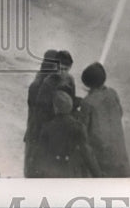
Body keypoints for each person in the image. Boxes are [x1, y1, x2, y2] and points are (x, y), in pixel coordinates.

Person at [80, 61, 130, 177]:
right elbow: (120, 112)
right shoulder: (112, 93)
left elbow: (82, 132)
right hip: (119, 155)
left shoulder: (87, 103)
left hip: (102, 159)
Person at [36, 91, 102, 178]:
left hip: (53, 170)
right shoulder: (78, 126)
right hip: (73, 170)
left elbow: (41, 154)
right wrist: (97, 174)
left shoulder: (47, 127)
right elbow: (87, 152)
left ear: (55, 108)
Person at [24, 49, 59, 177]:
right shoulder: (43, 86)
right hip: (39, 136)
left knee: (32, 171)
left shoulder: (38, 82)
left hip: (34, 134)